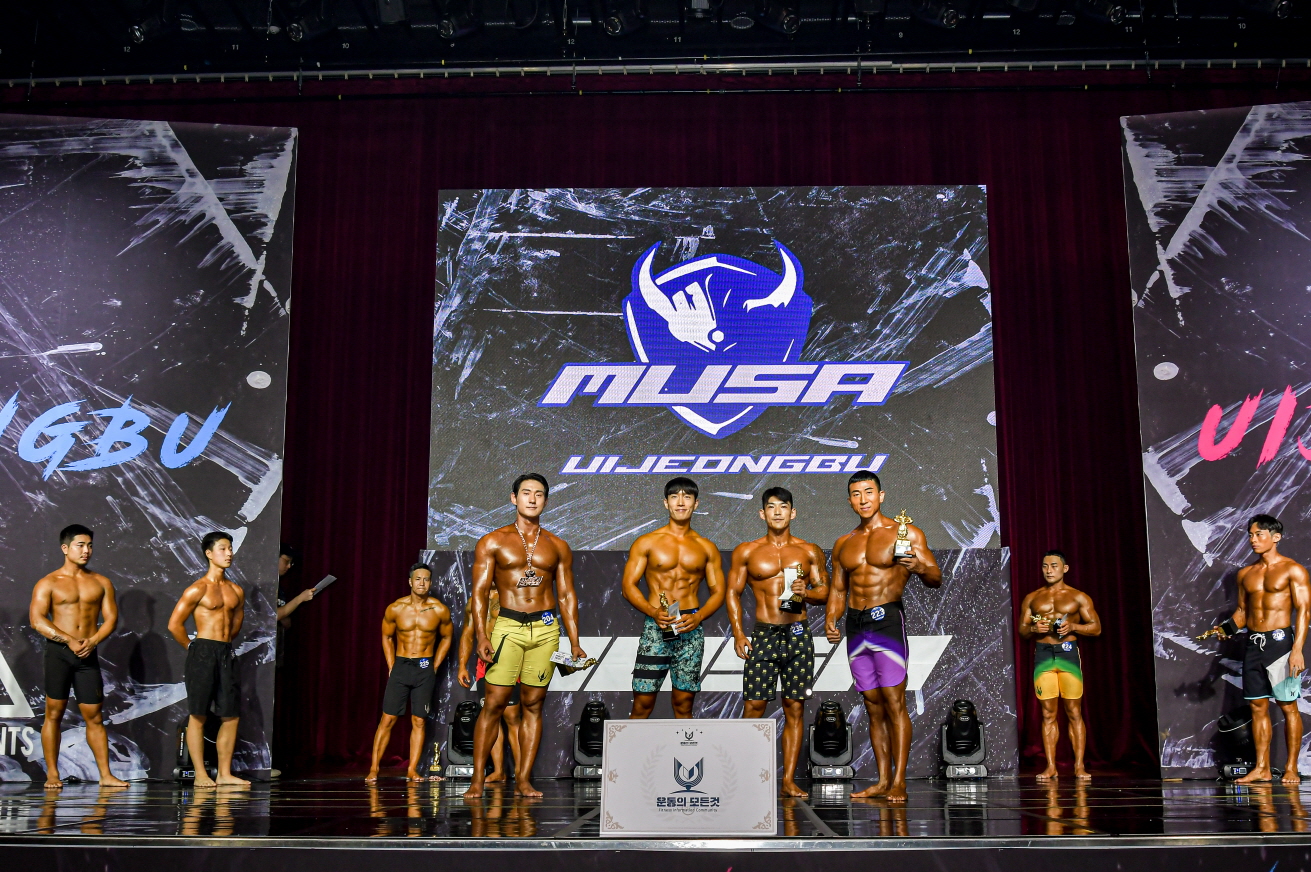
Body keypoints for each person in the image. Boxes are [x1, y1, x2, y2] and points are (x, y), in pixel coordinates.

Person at [464, 474, 585, 799]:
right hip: (508, 626)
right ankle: (478, 779)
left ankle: (523, 780)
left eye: (539, 494)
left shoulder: (557, 545)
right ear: (513, 498)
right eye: (526, 493)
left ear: (546, 500)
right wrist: (482, 635)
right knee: (494, 704)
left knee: (533, 704)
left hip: (545, 629)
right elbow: (479, 593)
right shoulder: (493, 541)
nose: (533, 499)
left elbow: (566, 596)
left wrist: (574, 641)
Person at [825, 471, 941, 803]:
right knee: (872, 704)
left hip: (886, 619)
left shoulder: (906, 532)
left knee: (893, 700)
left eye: (868, 492)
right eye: (856, 494)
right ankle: (882, 780)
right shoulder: (844, 543)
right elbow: (838, 589)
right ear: (850, 500)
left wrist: (918, 567)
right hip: (855, 625)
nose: (863, 499)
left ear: (881, 495)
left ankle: (899, 781)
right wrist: (832, 617)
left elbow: (935, 576)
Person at [726, 487, 829, 798]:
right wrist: (738, 633)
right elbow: (732, 592)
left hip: (798, 633)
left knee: (794, 707)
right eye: (771, 507)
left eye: (783, 507)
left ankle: (788, 781)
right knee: (754, 706)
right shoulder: (747, 551)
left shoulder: (809, 551)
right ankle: (743, 778)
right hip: (764, 634)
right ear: (762, 514)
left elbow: (824, 591)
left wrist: (806, 592)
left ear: (792, 512)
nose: (777, 512)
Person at [1212, 514, 1310, 785]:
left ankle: (1291, 768)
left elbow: (1304, 611)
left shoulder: (1293, 570)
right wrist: (1227, 629)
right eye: (1250, 535)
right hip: (1254, 645)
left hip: (1281, 645)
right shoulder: (1245, 574)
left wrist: (1297, 649)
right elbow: (1243, 612)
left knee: (1288, 706)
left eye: (1259, 535)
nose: (1253, 540)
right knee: (1257, 707)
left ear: (1275, 537)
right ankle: (1262, 768)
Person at [28, 524, 128, 790]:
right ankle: (52, 774)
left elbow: (111, 619)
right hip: (59, 653)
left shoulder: (101, 582)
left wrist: (92, 641)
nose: (86, 551)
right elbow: (37, 619)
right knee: (54, 714)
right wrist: (68, 639)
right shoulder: (48, 582)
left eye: (90, 545)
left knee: (94, 715)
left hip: (87, 653)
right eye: (80, 545)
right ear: (65, 548)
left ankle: (106, 775)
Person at [621, 477, 726, 720]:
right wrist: (653, 612)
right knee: (642, 703)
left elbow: (719, 591)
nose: (680, 502)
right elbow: (628, 587)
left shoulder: (706, 547)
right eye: (674, 497)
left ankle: (684, 748)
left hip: (690, 627)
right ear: (666, 503)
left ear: (695, 504)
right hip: (657, 625)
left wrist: (699, 616)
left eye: (687, 497)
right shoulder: (647, 542)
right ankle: (633, 747)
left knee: (684, 704)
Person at [166, 531, 250, 789]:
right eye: (223, 549)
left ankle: (224, 774)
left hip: (225, 651)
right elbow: (174, 624)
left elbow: (236, 625)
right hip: (202, 651)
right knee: (198, 714)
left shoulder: (236, 590)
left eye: (230, 548)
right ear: (209, 554)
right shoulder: (198, 588)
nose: (229, 553)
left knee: (230, 715)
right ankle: (201, 774)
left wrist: (222, 644)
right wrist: (193, 647)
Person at [1017, 550, 1102, 781]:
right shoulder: (1032, 598)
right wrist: (1034, 628)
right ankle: (1051, 766)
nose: (1049, 570)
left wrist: (1073, 627)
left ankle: (1079, 766)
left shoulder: (1078, 597)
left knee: (1074, 711)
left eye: (1054, 566)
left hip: (1067, 654)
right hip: (1044, 655)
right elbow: (1022, 630)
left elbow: (1096, 627)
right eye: (1045, 566)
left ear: (1065, 568)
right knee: (1048, 713)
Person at [366, 563, 454, 783]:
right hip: (401, 665)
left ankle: (412, 770)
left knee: (419, 720)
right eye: (418, 579)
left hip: (424, 666)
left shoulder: (439, 610)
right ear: (410, 582)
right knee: (388, 718)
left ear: (430, 583)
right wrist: (391, 664)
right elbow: (386, 636)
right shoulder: (396, 608)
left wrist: (435, 665)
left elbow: (447, 637)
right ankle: (374, 769)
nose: (422, 583)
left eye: (426, 579)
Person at [457, 590, 521, 783]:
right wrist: (462, 665)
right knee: (491, 717)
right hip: (484, 666)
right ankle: (499, 771)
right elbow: (468, 634)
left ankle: (521, 773)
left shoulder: (510, 595)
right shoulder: (475, 601)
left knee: (512, 717)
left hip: (509, 661)